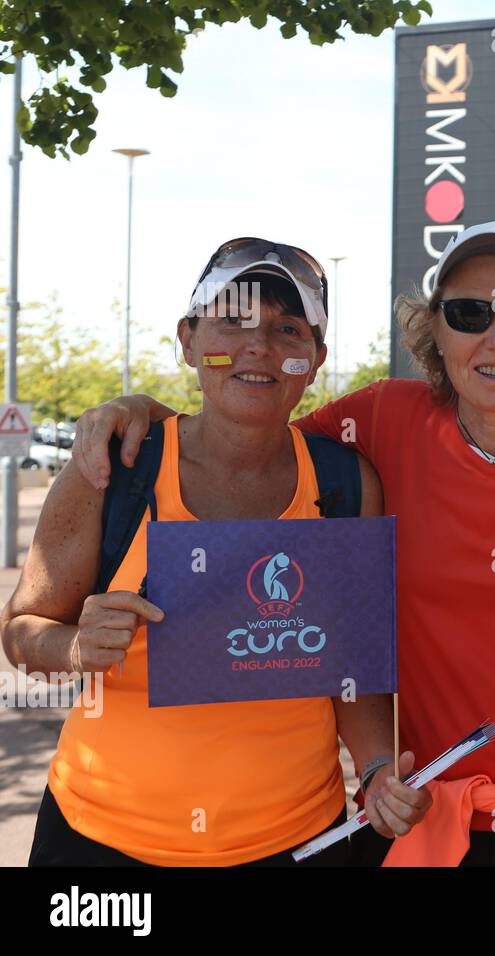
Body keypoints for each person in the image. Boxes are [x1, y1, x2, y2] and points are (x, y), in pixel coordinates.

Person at [70, 222, 495, 867]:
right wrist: (144, 411)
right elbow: (249, 432)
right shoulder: (379, 419)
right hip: (421, 808)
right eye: (467, 313)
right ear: (435, 329)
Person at [2, 238, 430, 865]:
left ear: (314, 361)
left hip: (298, 841)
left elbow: (351, 669)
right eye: (233, 319)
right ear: (189, 340)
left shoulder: (343, 483)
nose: (259, 345)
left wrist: (375, 772)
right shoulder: (113, 468)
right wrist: (70, 645)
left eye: (289, 328)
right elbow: (20, 633)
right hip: (101, 842)